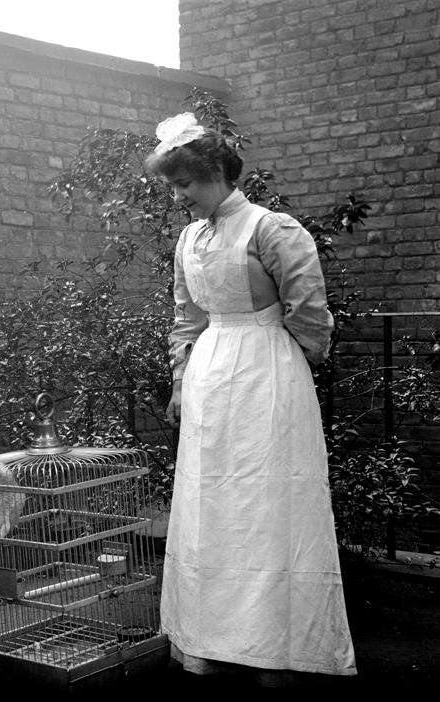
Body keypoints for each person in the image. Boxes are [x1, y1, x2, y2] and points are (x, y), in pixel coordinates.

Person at [145, 113, 357, 687]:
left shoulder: (272, 229)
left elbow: (308, 311)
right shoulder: (191, 237)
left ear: (216, 172)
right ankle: (212, 641)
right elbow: (185, 317)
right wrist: (181, 382)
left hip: (268, 370)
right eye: (174, 185)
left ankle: (274, 650)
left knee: (267, 508)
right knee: (215, 508)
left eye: (185, 183)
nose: (179, 195)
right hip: (212, 372)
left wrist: (294, 363)